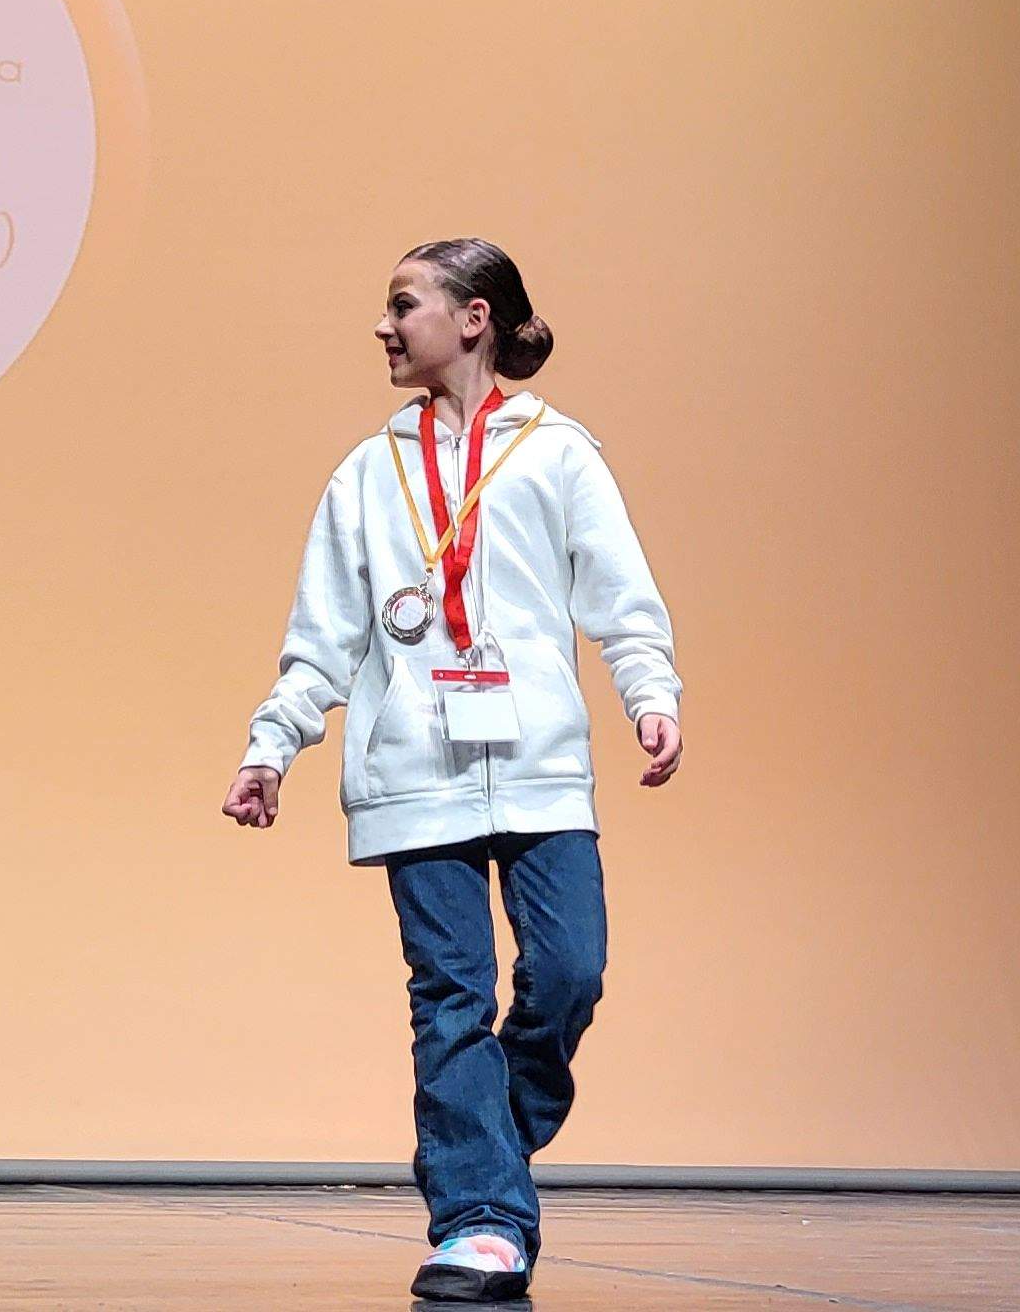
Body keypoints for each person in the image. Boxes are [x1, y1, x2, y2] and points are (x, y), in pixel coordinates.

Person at [222, 239, 685, 1304]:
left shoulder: (559, 452)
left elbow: (618, 595)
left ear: (474, 318)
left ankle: (483, 1148)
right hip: (412, 767)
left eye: (402, 305)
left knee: (570, 974)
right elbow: (323, 636)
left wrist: (649, 695)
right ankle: (479, 1221)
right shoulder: (363, 472)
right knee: (450, 1000)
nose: (384, 327)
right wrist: (270, 746)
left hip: (538, 763)